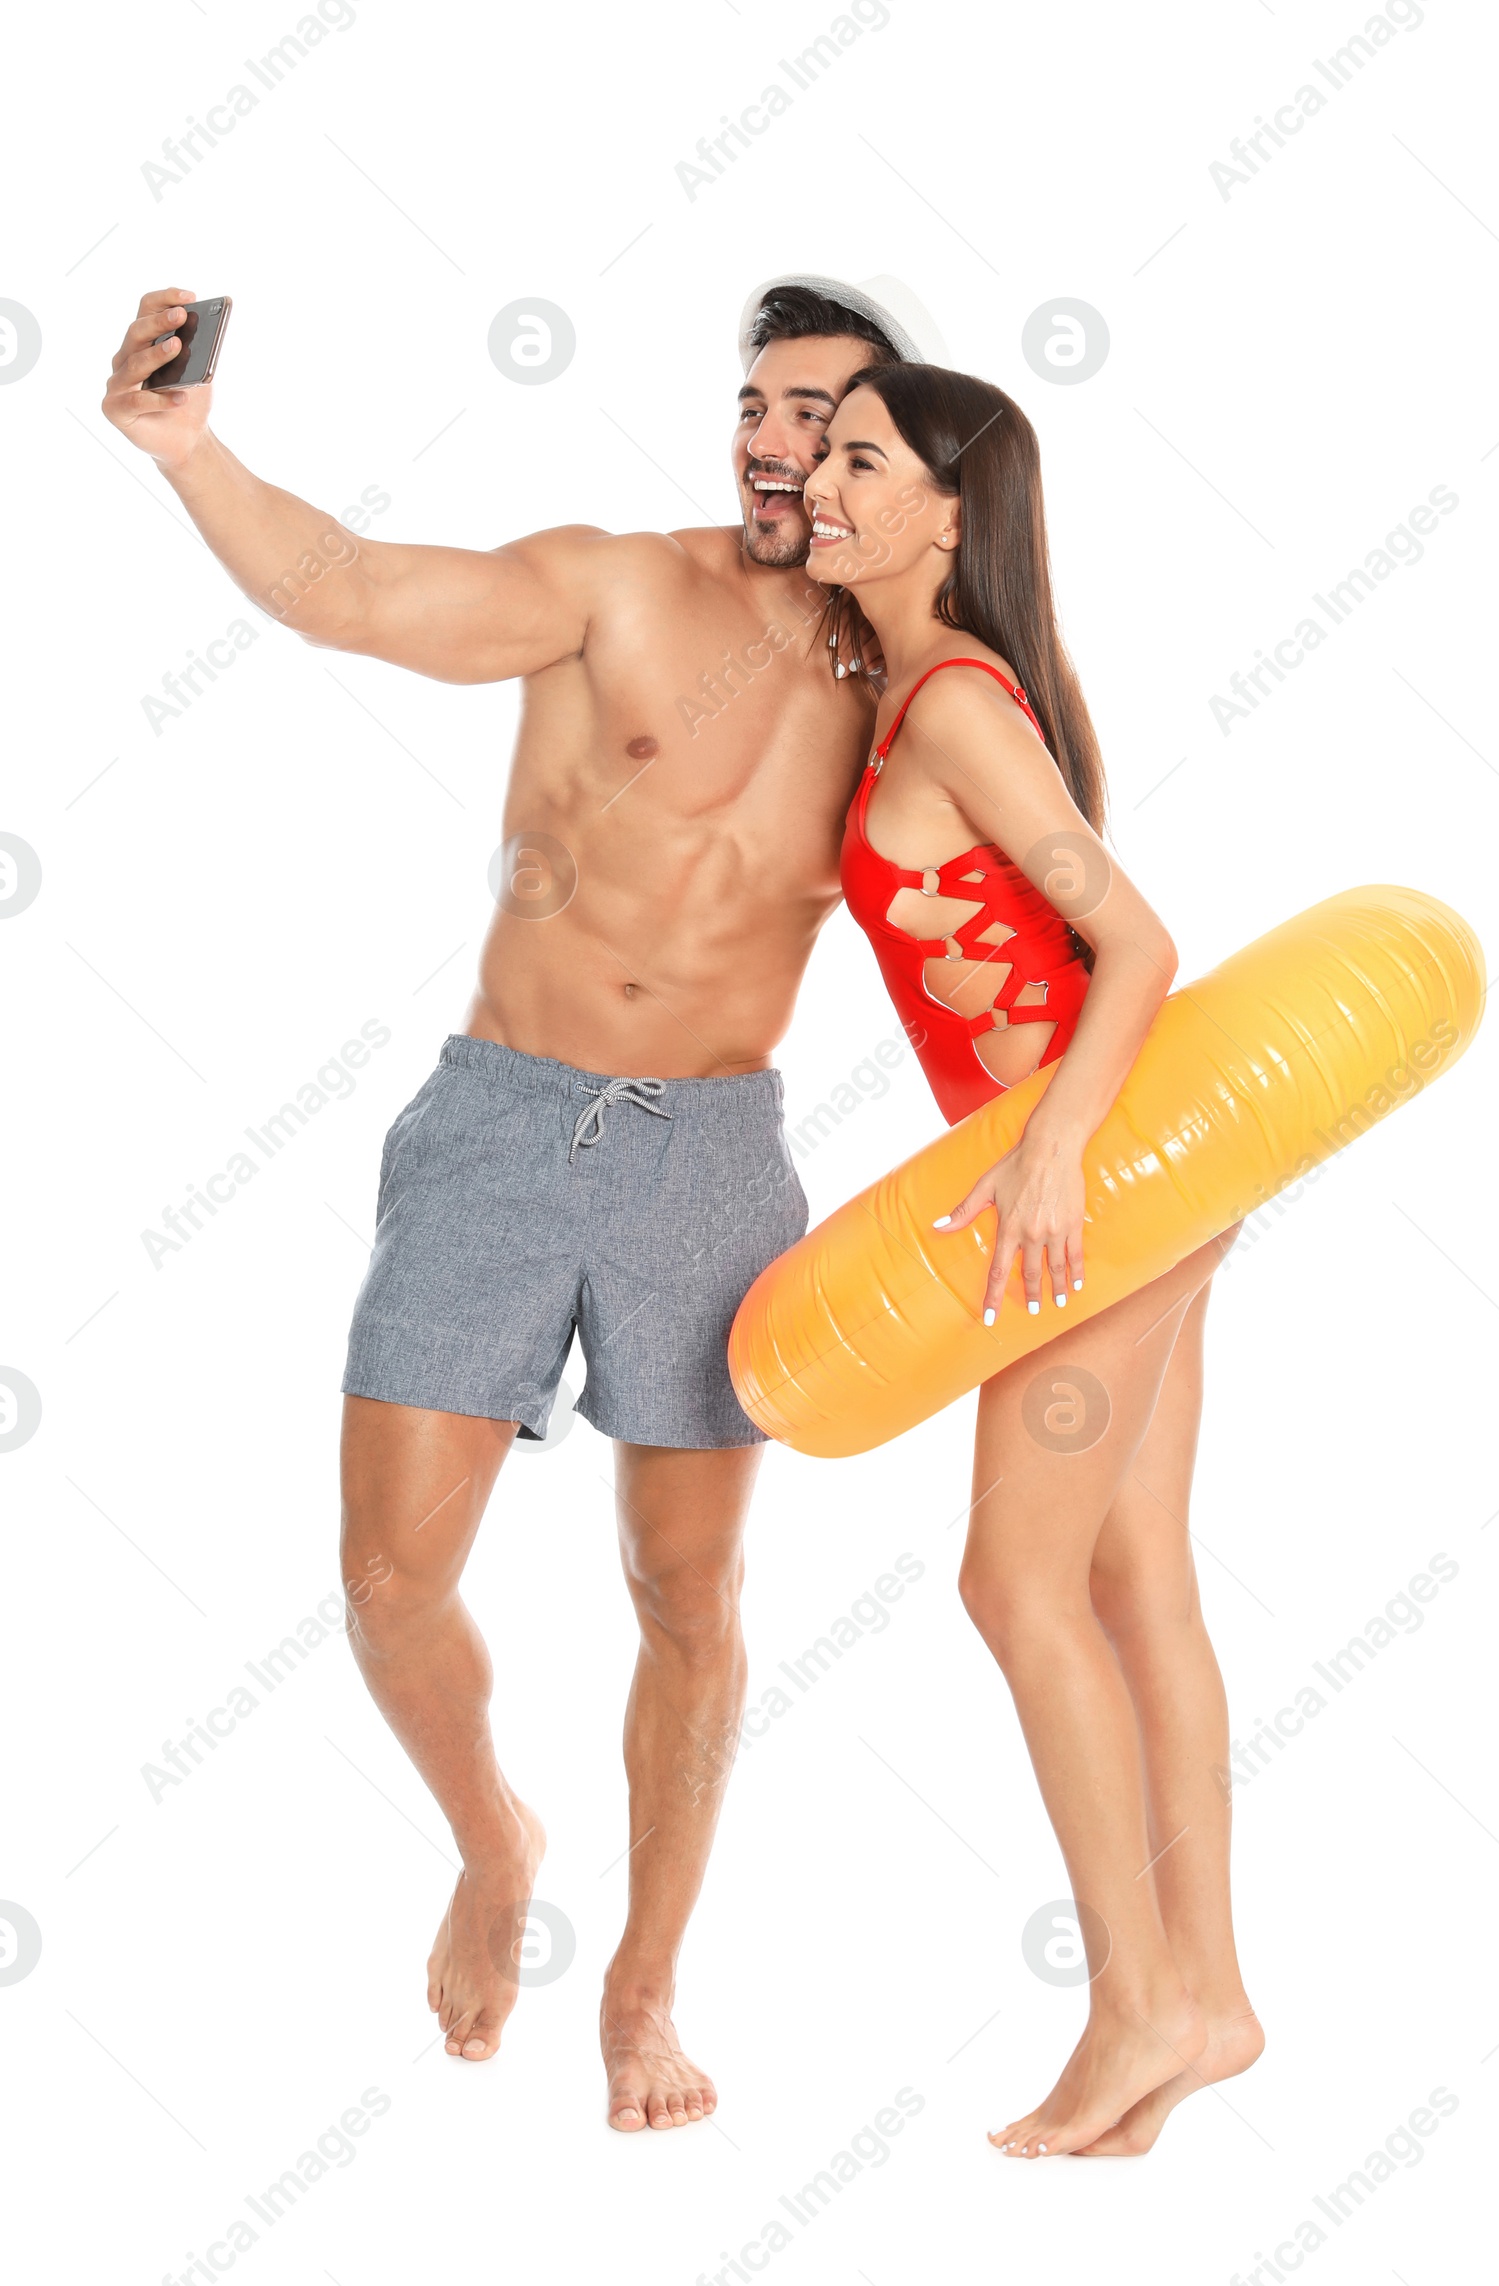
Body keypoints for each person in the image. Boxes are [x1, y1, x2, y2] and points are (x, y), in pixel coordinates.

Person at [100, 273, 925, 2127]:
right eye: (759, 408)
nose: (777, 445)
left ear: (895, 450)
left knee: (688, 1587)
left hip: (713, 1156)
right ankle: (494, 1839)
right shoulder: (621, 584)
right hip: (502, 1118)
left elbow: (1027, 886)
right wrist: (192, 451)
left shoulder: (917, 676)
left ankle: (643, 1991)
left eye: (824, 418)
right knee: (391, 1577)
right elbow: (361, 592)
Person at [804, 362, 1261, 2157]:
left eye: (859, 461)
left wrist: (1060, 1151)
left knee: (1015, 1583)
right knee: (1136, 1576)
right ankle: (1210, 1999)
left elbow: (1135, 943)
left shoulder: (960, 707)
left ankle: (1139, 1999)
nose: (821, 484)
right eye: (816, 454)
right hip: (1134, 1184)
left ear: (947, 509)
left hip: (1096, 1191)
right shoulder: (912, 686)